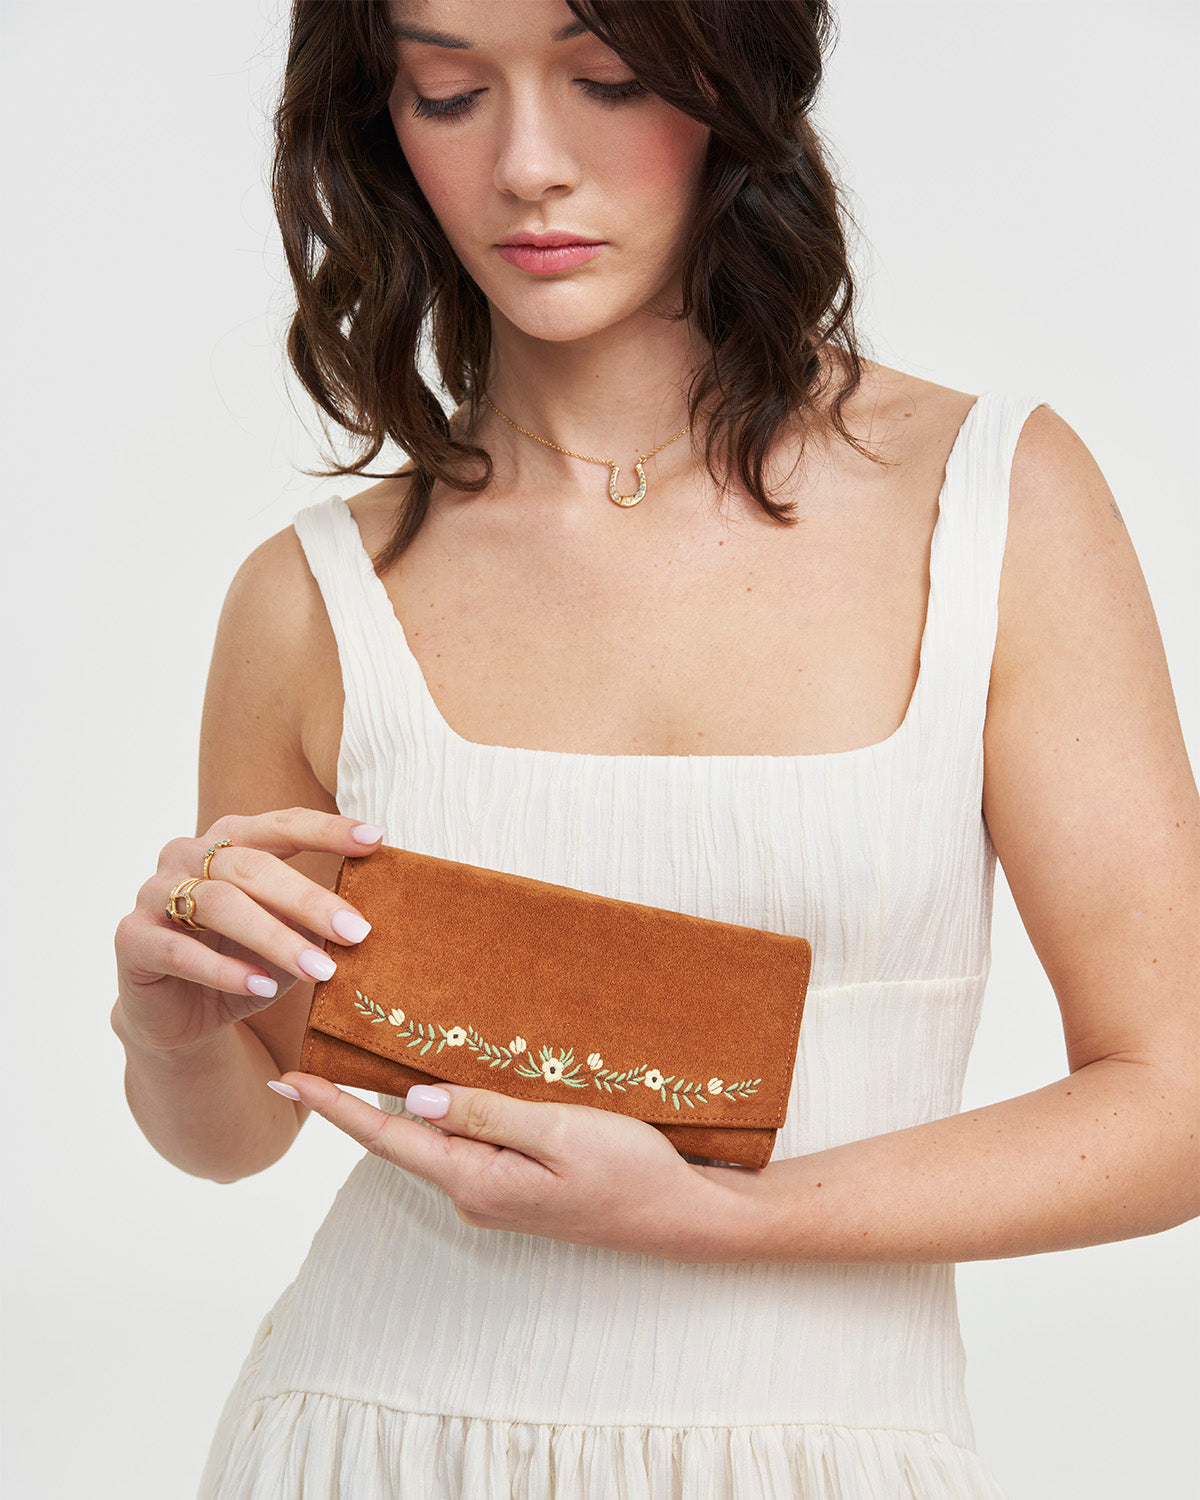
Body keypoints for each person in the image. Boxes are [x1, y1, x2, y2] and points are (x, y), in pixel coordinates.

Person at [110, 1, 1198, 1495]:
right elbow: (248, 1130)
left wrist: (729, 1217)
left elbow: (1176, 1099)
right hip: (365, 1436)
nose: (527, 165)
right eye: (446, 93)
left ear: (729, 86)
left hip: (824, 1454)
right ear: (381, 128)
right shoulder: (312, 594)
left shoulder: (996, 505)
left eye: (607, 78)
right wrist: (166, 1035)